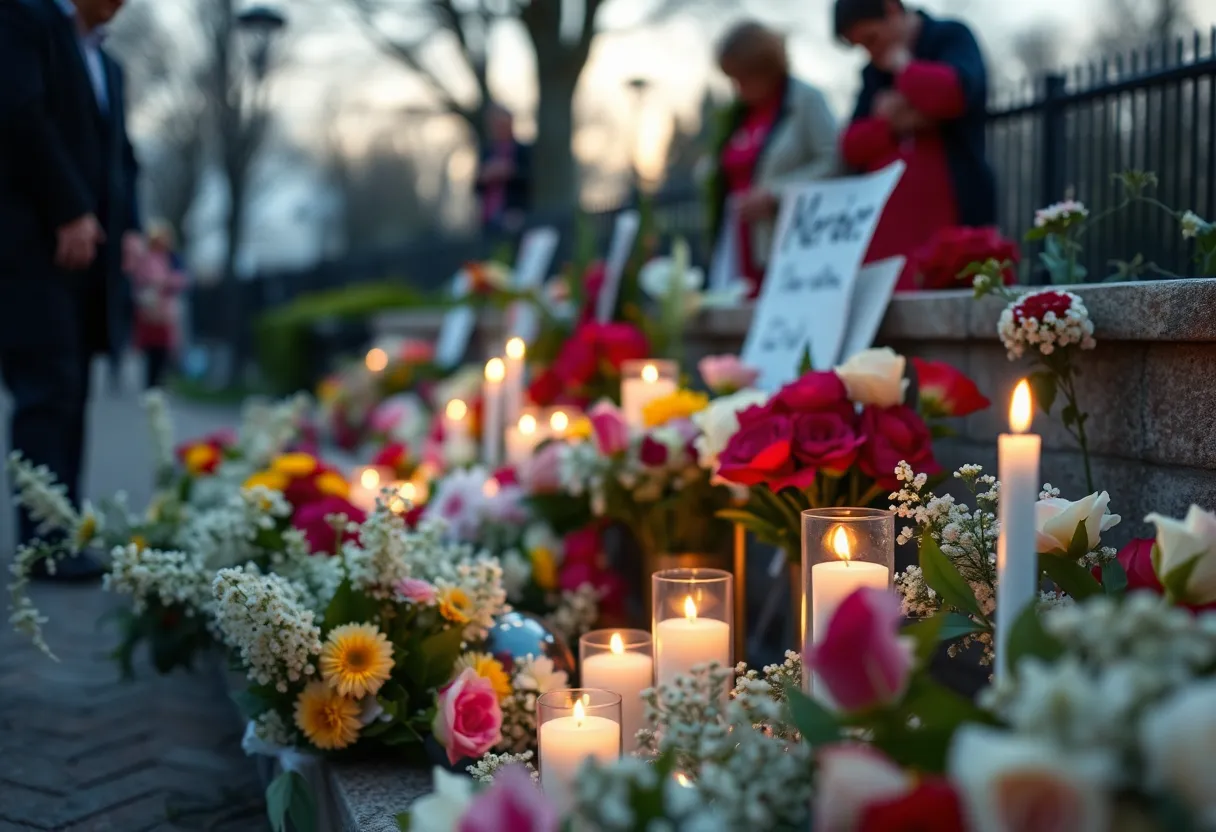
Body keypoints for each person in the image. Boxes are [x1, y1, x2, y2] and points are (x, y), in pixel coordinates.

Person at [0, 0, 140, 579]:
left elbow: (122, 160)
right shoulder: (22, 21)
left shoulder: (110, 67)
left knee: (72, 388)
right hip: (33, 246)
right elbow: (19, 117)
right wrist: (70, 209)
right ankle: (43, 545)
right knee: (45, 390)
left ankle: (63, 527)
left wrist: (130, 231)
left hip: (90, 258)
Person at [836, 0, 997, 290]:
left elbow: (955, 93)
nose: (870, 52)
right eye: (860, 46)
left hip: (954, 220)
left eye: (871, 38)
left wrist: (905, 68)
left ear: (892, 9)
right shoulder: (872, 72)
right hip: (890, 239)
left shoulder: (951, 36)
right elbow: (850, 146)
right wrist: (891, 125)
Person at [706, 21, 840, 296]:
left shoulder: (806, 101)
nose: (737, 87)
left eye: (743, 77)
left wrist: (774, 195)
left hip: (787, 245)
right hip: (740, 247)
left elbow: (836, 162)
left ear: (765, 68)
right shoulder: (737, 116)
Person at [131, 222, 188, 389]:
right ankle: (151, 387)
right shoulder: (147, 258)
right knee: (152, 352)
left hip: (166, 312)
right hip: (150, 311)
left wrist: (165, 282)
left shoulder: (172, 259)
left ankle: (158, 385)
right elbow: (142, 280)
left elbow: (181, 280)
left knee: (163, 350)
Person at [475, 103, 532, 238]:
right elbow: (476, 188)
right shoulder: (487, 152)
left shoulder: (522, 150)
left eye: (503, 124)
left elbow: (530, 179)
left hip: (515, 215)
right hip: (489, 217)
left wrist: (509, 171)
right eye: (496, 125)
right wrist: (485, 176)